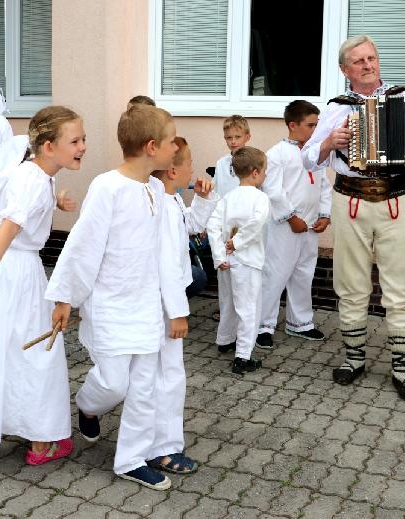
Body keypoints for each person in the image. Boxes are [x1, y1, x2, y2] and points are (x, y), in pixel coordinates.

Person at [45, 104, 184, 490]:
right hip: (110, 306)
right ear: (152, 146)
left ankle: (131, 459)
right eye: (172, 141)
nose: (176, 149)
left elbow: (165, 256)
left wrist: (174, 308)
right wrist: (64, 299)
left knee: (144, 387)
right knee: (113, 384)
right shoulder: (107, 187)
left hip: (146, 308)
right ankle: (87, 406)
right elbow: (83, 246)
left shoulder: (156, 189)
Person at [302, 35, 405, 402]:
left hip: (397, 199)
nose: (368, 65)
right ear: (345, 70)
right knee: (351, 284)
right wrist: (330, 142)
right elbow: (306, 158)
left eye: (372, 58)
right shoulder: (335, 109)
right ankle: (353, 359)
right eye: (359, 61)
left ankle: (403, 369)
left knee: (400, 287)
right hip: (350, 200)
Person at [0, 106, 84, 465]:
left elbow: (18, 201)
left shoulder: (34, 173)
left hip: (1, 269)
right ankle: (42, 442)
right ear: (47, 146)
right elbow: (12, 219)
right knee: (33, 352)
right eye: (75, 140)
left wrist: (55, 201)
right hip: (14, 270)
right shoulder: (33, 177)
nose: (83, 146)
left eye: (83, 139)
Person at [147, 136, 216, 475]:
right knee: (169, 377)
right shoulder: (160, 203)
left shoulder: (169, 198)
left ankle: (159, 442)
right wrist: (178, 312)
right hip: (163, 305)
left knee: (162, 375)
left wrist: (202, 199)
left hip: (163, 302)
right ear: (174, 170)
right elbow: (168, 264)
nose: (194, 170)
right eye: (191, 164)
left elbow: (191, 226)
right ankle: (163, 448)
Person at [256, 100, 332, 350]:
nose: (315, 130)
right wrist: (291, 217)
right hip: (285, 226)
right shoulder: (276, 154)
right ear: (292, 125)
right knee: (275, 274)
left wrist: (324, 214)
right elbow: (273, 189)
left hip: (309, 226)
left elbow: (323, 185)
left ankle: (300, 323)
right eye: (310, 125)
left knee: (304, 274)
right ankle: (262, 326)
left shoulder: (315, 152)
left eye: (316, 125)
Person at [206, 146, 271, 374]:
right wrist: (238, 242)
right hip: (247, 262)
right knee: (248, 309)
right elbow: (256, 223)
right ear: (254, 172)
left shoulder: (227, 198)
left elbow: (213, 226)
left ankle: (224, 340)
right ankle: (243, 356)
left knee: (228, 303)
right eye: (264, 170)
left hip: (226, 263)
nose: (265, 174)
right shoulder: (261, 199)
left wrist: (219, 255)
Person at [213, 115, 251, 198]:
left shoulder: (255, 161)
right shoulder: (221, 163)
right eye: (229, 138)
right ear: (225, 138)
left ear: (247, 137)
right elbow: (214, 191)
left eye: (237, 137)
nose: (233, 141)